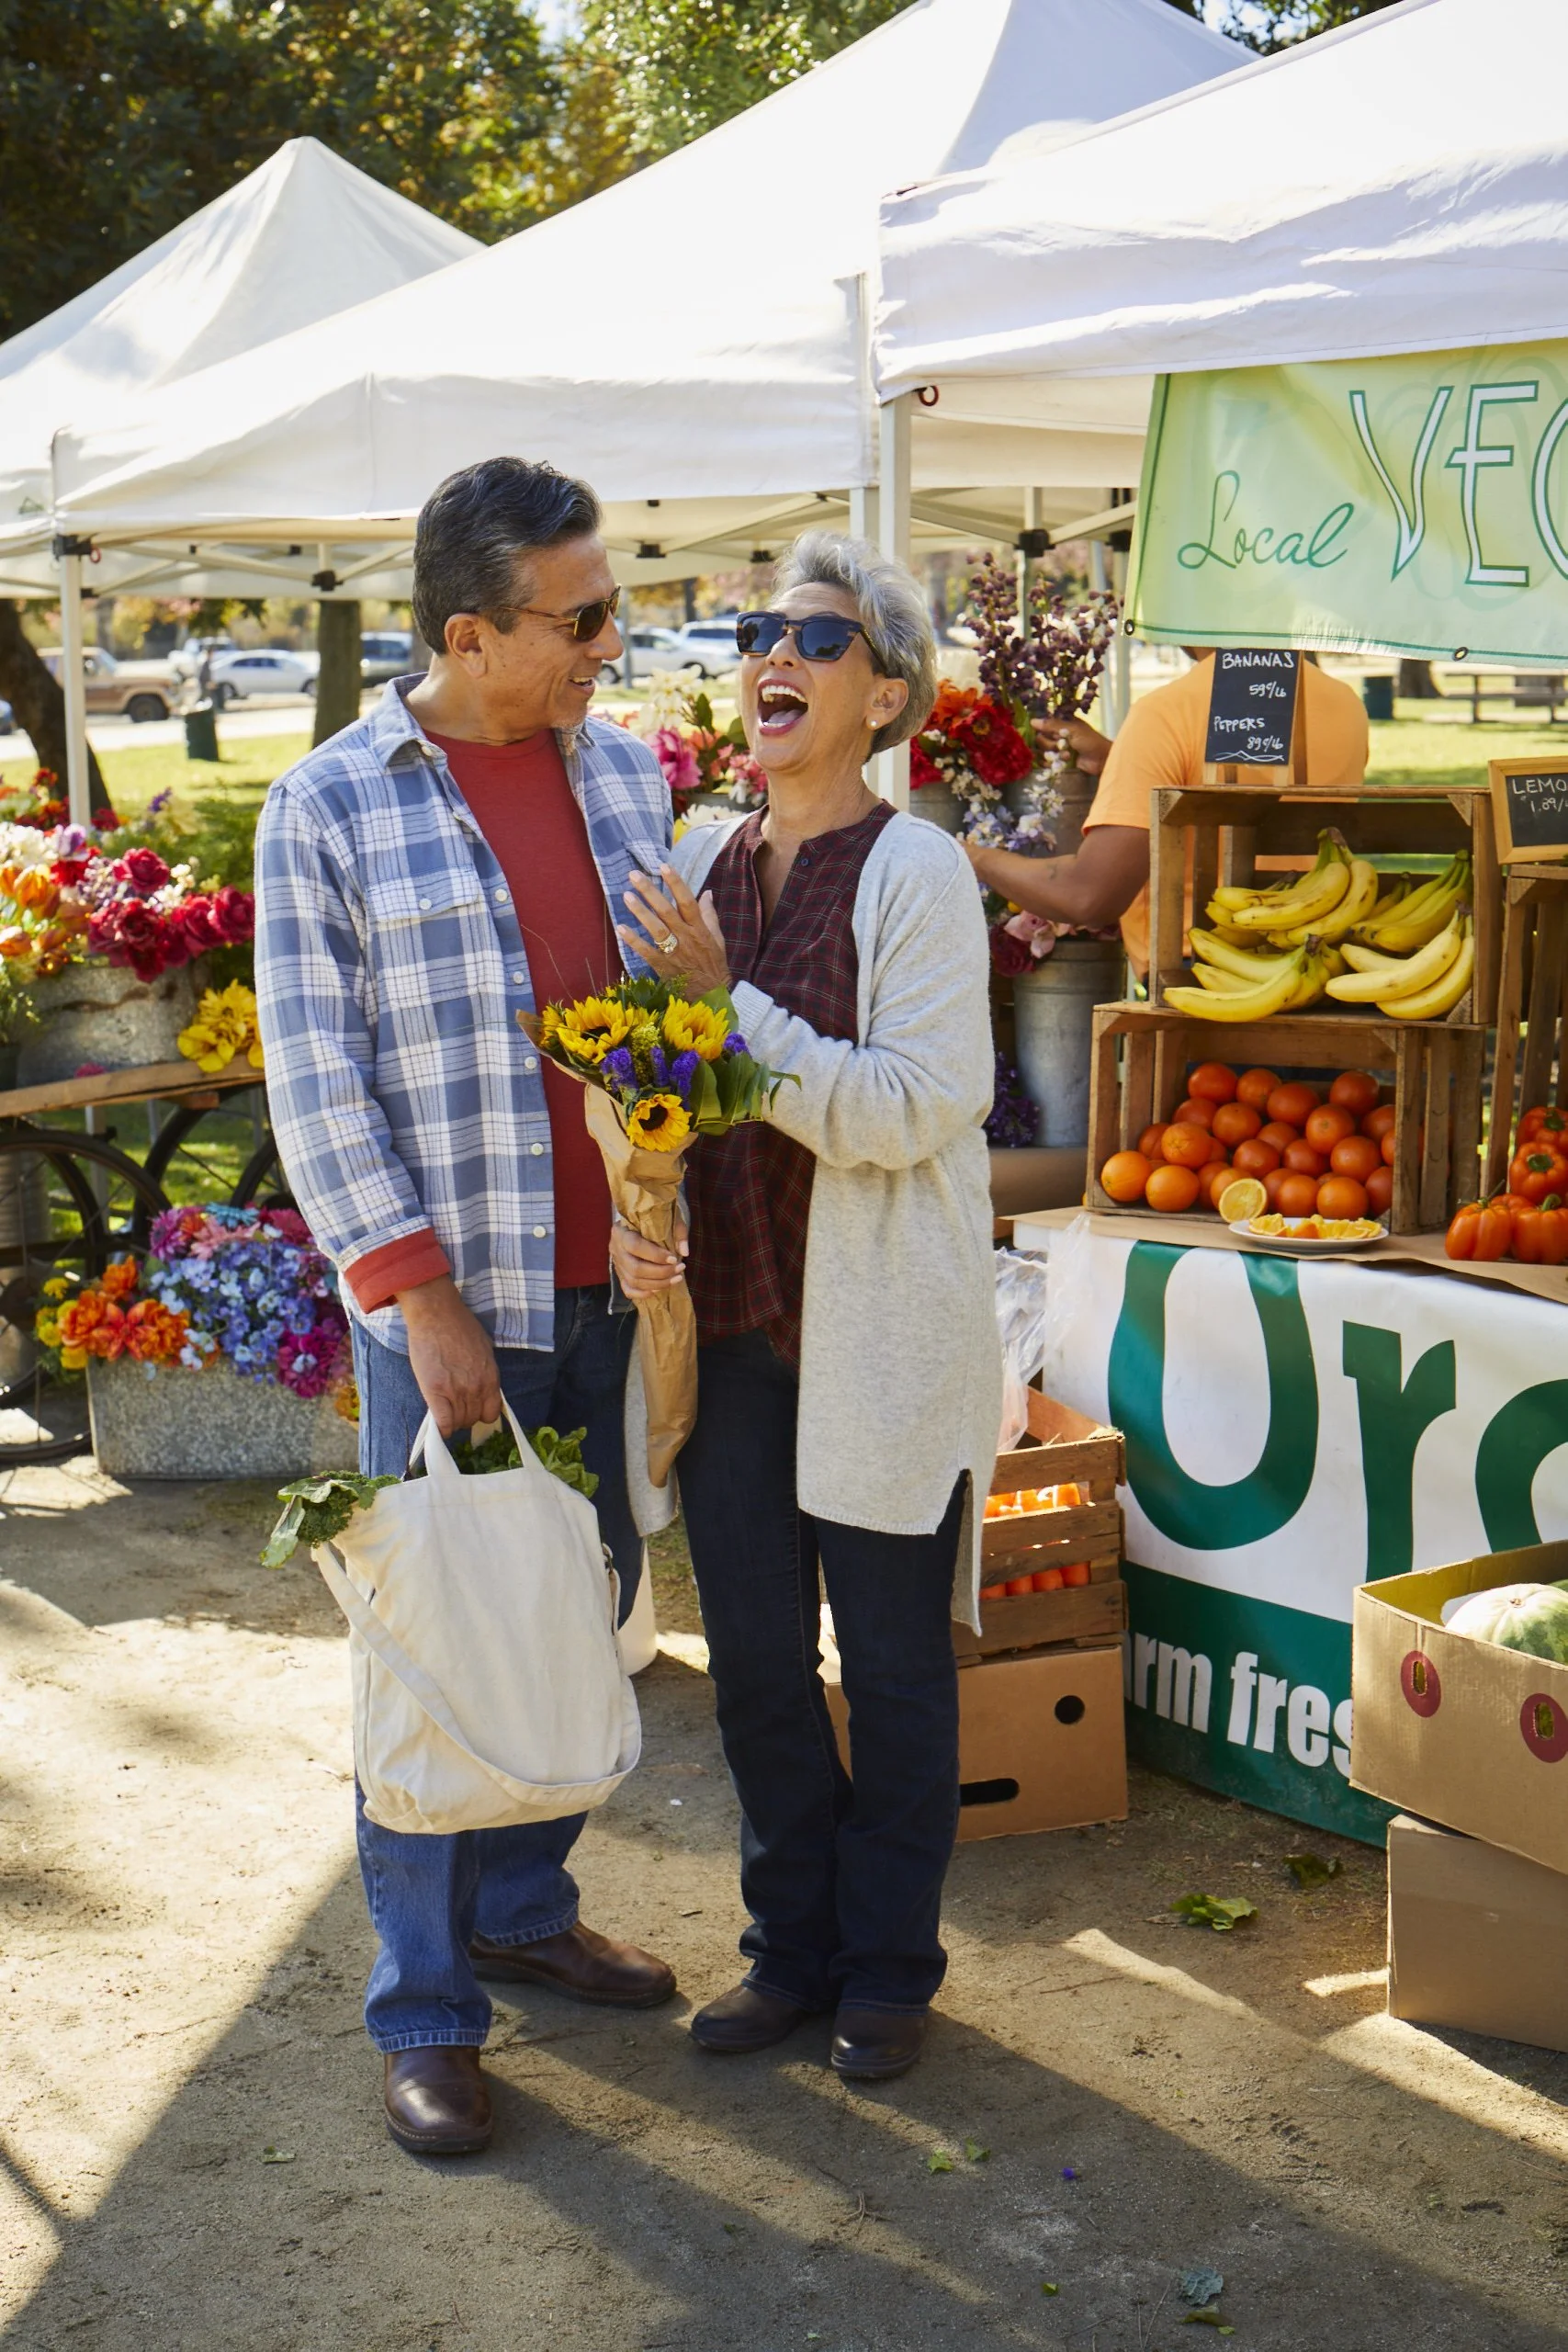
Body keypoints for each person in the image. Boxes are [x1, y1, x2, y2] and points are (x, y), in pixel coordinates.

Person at [254, 456, 677, 2161]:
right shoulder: (331, 806)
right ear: (467, 631)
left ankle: (523, 1901)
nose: (609, 642)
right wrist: (412, 1295)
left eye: (610, 607)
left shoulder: (631, 773)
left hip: (613, 1282)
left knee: (574, 1608)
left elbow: (660, 1022)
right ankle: (426, 2006)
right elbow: (315, 1075)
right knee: (435, 1654)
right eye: (579, 619)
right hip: (457, 1299)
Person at [612, 533, 1002, 2085]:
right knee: (761, 1665)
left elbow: (919, 1107)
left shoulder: (917, 871)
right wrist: (642, 1204)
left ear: (885, 693)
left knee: (892, 1666)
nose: (771, 651)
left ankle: (890, 1964)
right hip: (723, 1323)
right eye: (755, 627)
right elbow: (649, 1071)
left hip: (874, 1336)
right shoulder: (706, 855)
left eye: (815, 637)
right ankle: (791, 1950)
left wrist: (727, 1008)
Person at [963, 650, 1370, 978]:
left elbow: (1089, 897)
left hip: (1203, 978)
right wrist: (1120, 759)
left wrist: (970, 857)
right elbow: (1250, 788)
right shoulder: (1346, 704)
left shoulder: (1167, 712)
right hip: (1320, 968)